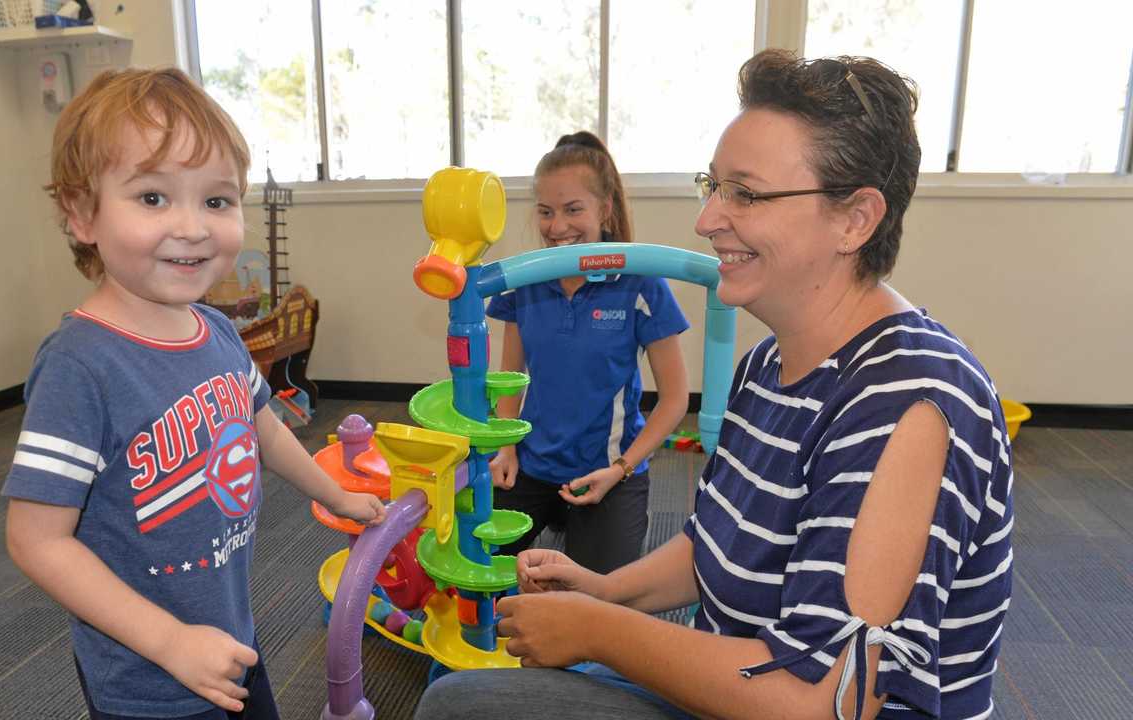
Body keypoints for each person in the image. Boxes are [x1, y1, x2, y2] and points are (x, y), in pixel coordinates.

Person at [416, 50, 1013, 720]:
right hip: (733, 685)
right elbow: (712, 545)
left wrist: (599, 630)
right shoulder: (769, 364)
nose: (707, 219)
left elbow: (822, 702)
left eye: (746, 194)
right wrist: (605, 591)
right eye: (715, 185)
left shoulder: (910, 401)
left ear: (855, 219)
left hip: (780, 703)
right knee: (465, 700)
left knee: (461, 708)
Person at [1, 68, 386, 720]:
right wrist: (168, 642)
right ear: (81, 214)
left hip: (223, 634)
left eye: (216, 200)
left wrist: (336, 493)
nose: (193, 226)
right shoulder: (79, 365)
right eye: (152, 198)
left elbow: (261, 426)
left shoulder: (215, 332)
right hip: (148, 676)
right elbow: (36, 540)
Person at [485, 130, 690, 574]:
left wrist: (622, 468)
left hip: (609, 471)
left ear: (605, 209)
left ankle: (606, 522)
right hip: (530, 465)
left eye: (573, 209)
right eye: (545, 212)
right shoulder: (525, 282)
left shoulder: (641, 283)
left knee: (598, 605)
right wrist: (505, 449)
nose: (557, 227)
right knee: (472, 573)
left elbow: (675, 399)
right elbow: (509, 380)